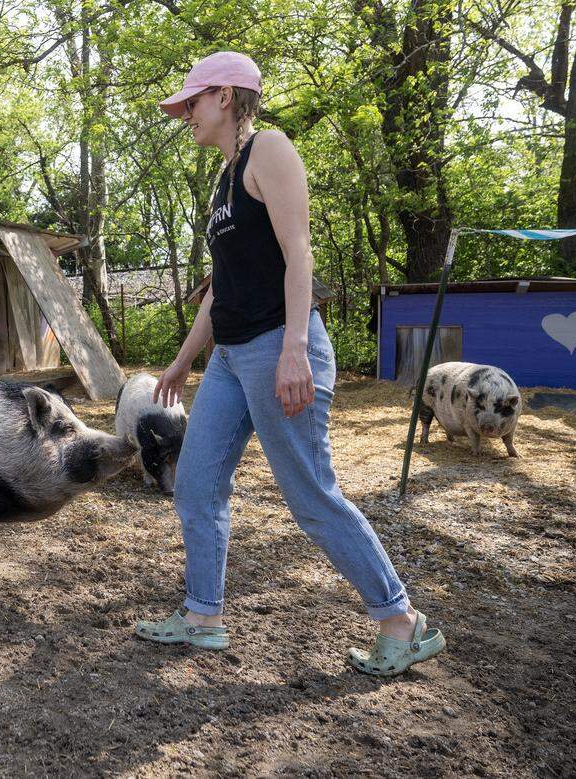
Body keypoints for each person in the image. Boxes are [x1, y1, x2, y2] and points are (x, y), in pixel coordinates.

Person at [133, 51, 445, 676]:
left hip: (281, 346)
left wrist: (296, 348)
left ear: (225, 96)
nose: (184, 115)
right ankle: (202, 616)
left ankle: (400, 621)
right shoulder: (223, 180)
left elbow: (298, 251)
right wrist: (179, 364)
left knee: (309, 496)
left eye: (190, 102)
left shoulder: (268, 149)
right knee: (196, 483)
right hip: (230, 357)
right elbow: (221, 288)